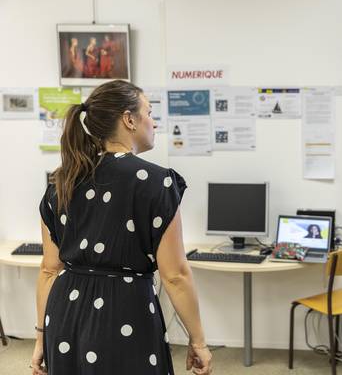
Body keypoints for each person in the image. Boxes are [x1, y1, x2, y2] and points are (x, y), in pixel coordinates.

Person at [30, 80, 212, 374]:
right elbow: (175, 275)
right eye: (149, 113)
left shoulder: (61, 182)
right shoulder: (157, 183)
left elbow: (50, 269)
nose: (154, 123)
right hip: (125, 311)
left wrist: (40, 337)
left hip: (64, 316)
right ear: (129, 119)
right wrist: (199, 341)